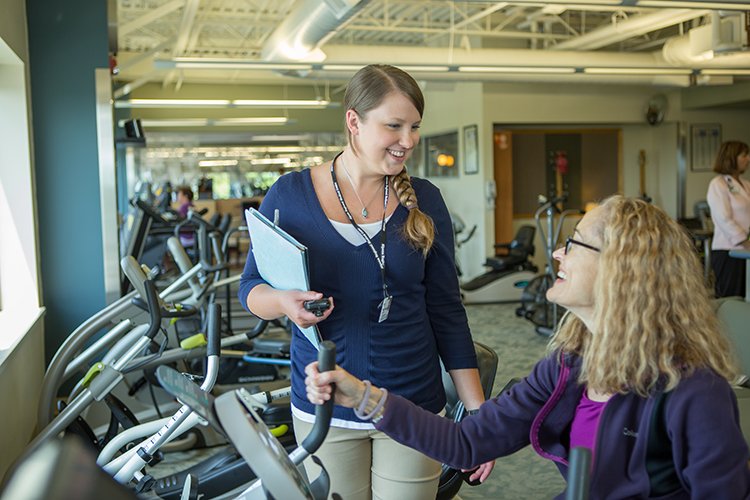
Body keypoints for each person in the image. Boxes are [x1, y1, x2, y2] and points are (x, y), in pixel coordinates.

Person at [306, 195, 750, 499]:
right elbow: (466, 443)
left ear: (621, 269)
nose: (558, 253)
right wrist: (361, 395)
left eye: (574, 243)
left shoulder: (694, 391)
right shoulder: (568, 366)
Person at [238, 64, 490, 499]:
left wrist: (480, 417)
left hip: (412, 405)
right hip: (325, 405)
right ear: (354, 121)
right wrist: (282, 301)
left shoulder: (424, 200)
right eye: (393, 126)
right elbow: (251, 288)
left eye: (414, 127)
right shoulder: (290, 195)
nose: (408, 141)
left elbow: (447, 311)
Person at [706, 140, 750, 298]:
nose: (748, 159)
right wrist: (744, 240)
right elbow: (723, 218)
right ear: (731, 157)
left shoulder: (746, 185)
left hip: (746, 251)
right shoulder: (718, 184)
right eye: (744, 155)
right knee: (730, 299)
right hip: (728, 251)